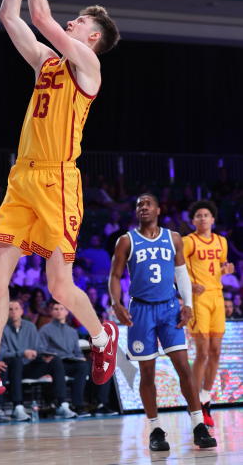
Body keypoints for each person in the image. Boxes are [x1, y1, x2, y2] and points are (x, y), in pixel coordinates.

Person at [0, 0, 120, 406]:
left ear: (91, 36)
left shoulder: (87, 66)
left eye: (79, 21)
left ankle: (102, 337)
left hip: (57, 179)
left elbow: (42, 14)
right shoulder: (47, 63)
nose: (70, 23)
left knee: (58, 285)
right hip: (22, 177)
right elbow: (10, 14)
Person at [109, 193, 216, 452]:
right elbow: (115, 275)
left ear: (158, 209)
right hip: (141, 311)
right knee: (147, 372)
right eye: (138, 205)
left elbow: (181, 273)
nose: (143, 207)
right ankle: (155, 429)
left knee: (183, 366)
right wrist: (116, 303)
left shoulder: (173, 238)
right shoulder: (126, 240)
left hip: (169, 308)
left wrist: (187, 304)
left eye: (148, 204)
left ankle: (198, 425)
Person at [182, 199, 235, 427]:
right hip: (198, 299)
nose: (202, 218)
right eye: (198, 215)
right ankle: (194, 404)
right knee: (202, 351)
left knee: (215, 352)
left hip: (217, 297)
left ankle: (205, 397)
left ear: (213, 219)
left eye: (206, 215)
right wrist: (189, 286)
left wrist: (227, 269)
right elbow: (177, 269)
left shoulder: (222, 242)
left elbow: (221, 265)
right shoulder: (187, 242)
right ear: (193, 221)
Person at [0, 300, 77, 419]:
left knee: (55, 360)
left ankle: (62, 404)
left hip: (30, 365)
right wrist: (22, 353)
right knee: (16, 361)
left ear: (21, 311)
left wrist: (43, 356)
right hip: (12, 368)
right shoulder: (1, 329)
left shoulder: (30, 326)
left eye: (16, 308)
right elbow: (2, 353)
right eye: (10, 309)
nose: (14, 312)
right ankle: (18, 407)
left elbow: (38, 348)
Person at [38, 301, 90, 417]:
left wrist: (81, 358)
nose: (59, 311)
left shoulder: (72, 331)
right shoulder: (45, 330)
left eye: (62, 309)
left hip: (69, 362)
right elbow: (41, 349)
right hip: (54, 363)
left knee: (83, 366)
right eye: (56, 309)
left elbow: (77, 351)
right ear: (51, 312)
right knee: (58, 364)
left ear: (67, 312)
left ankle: (78, 405)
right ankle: (62, 404)